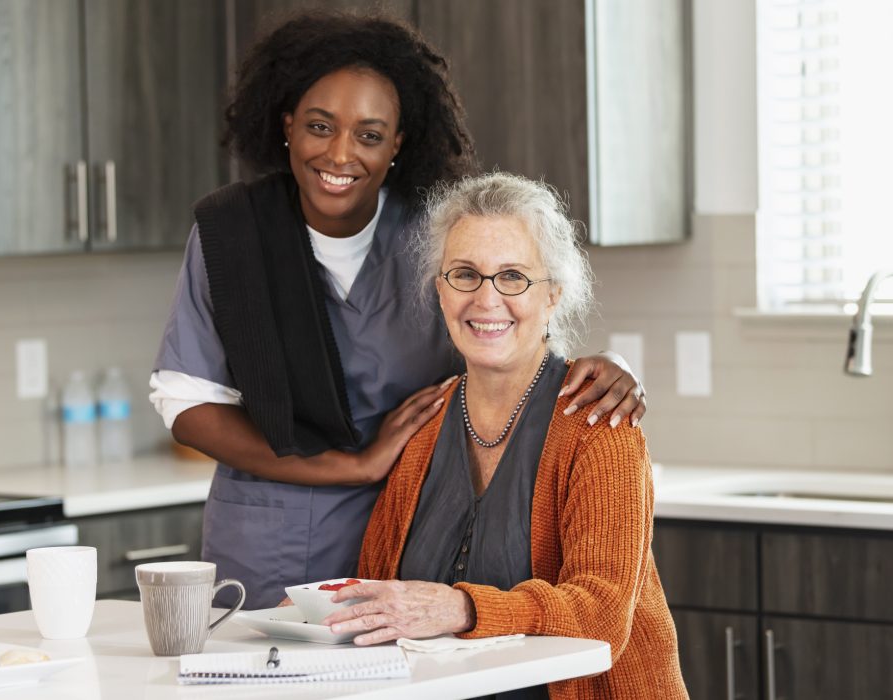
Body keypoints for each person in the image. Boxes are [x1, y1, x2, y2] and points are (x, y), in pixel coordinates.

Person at [150, 11, 647, 611]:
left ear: (397, 145)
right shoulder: (229, 233)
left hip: (412, 531)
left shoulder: (431, 236)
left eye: (368, 133)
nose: (340, 153)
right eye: (319, 125)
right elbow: (187, 404)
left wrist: (603, 365)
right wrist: (352, 465)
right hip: (268, 539)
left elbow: (502, 332)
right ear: (286, 125)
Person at [324, 172, 686, 699]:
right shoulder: (423, 425)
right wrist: (331, 615)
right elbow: (387, 593)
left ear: (553, 295)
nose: (487, 299)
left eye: (513, 276)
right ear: (440, 290)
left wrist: (464, 607)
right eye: (465, 274)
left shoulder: (598, 427)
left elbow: (603, 614)